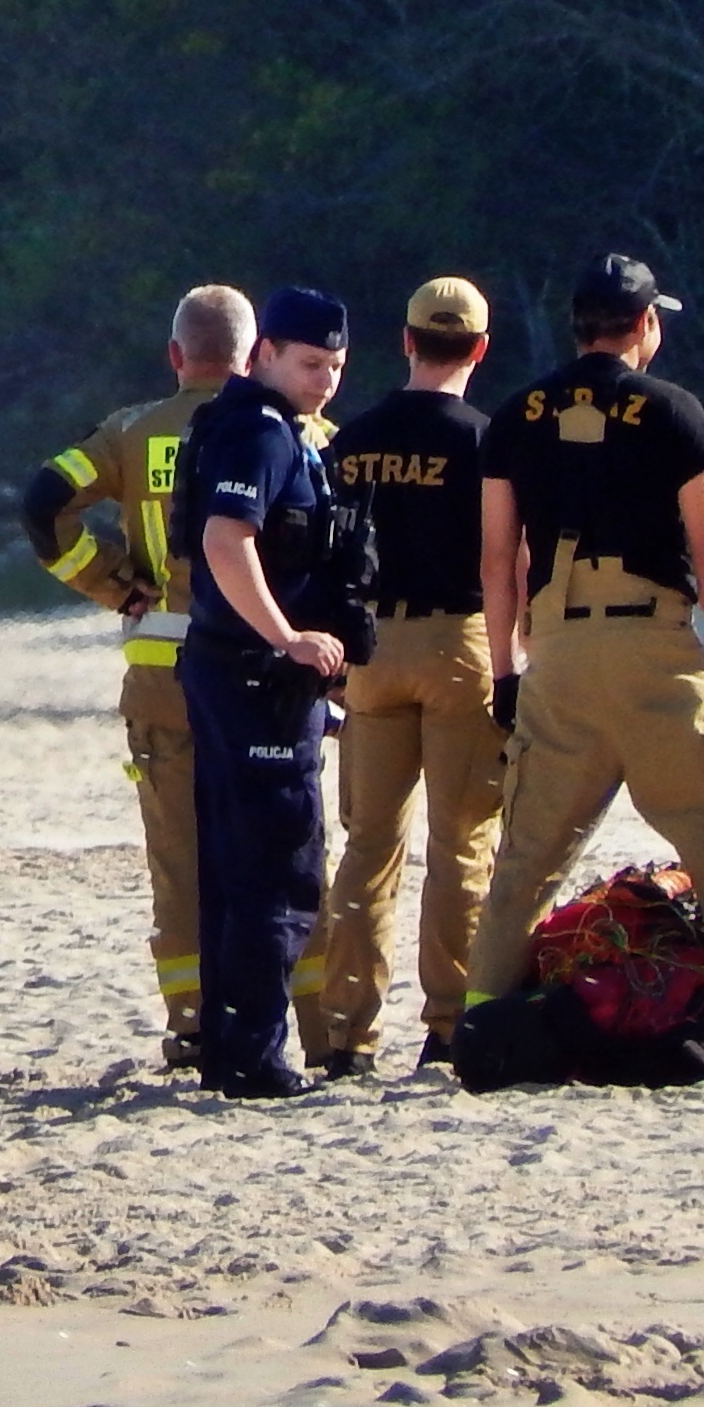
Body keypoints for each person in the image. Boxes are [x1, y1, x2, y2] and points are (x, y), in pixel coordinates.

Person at [463, 256, 704, 1076]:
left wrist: (507, 675)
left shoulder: (517, 416)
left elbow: (497, 561)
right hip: (655, 648)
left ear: (579, 326)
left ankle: (476, 1038)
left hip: (555, 650)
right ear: (644, 325)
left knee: (525, 862)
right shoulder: (673, 411)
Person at [23, 286, 256, 1061]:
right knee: (273, 846)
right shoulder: (285, 429)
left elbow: (43, 504)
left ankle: (190, 1020)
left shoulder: (131, 432)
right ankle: (295, 1013)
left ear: (175, 356)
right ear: (253, 358)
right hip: (259, 674)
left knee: (180, 857)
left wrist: (114, 582)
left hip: (164, 670)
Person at [306, 276, 502, 1078]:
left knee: (369, 847)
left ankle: (348, 1029)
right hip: (462, 644)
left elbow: (321, 554)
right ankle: (451, 1023)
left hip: (373, 649)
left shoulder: (351, 440)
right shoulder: (490, 440)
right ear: (480, 350)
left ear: (408, 342)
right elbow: (508, 561)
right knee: (463, 846)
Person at [173, 285, 363, 1100]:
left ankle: (230, 1045)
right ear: (266, 356)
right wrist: (287, 638)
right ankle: (253, 1055)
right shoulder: (259, 433)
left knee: (232, 866)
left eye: (336, 367)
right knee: (276, 869)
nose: (325, 381)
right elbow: (225, 539)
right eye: (310, 363)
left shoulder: (264, 427)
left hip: (232, 671)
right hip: (252, 677)